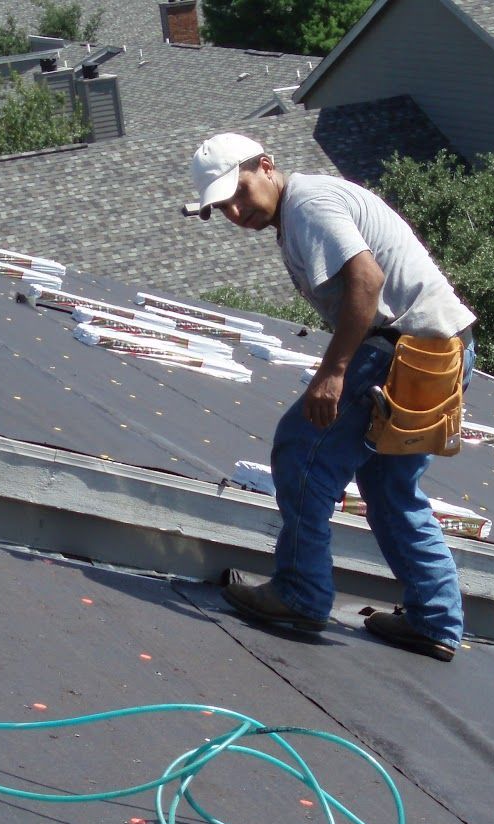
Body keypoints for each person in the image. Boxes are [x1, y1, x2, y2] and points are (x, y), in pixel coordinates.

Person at [191, 133, 477, 662]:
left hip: (401, 348)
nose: (235, 211)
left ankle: (300, 593)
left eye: (239, 193)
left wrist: (334, 371)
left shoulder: (310, 205)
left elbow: (367, 281)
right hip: (443, 349)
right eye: (222, 206)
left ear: (267, 167)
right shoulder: (302, 208)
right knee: (390, 485)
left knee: (302, 451)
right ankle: (435, 620)